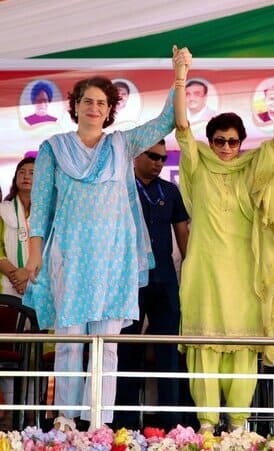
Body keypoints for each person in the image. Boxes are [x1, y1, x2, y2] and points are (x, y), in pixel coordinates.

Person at [22, 46, 185, 429]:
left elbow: (165, 121)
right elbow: (40, 207)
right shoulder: (53, 149)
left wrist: (179, 73)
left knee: (107, 346)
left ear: (110, 110)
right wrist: (34, 255)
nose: (94, 107)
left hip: (112, 261)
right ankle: (64, 418)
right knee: (69, 342)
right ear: (75, 106)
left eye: (101, 102)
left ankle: (98, 424)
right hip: (70, 257)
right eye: (87, 101)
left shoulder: (121, 145)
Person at [175, 56, 274, 433]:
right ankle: (208, 425)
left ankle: (239, 425)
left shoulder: (251, 168)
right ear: (209, 142)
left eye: (232, 141)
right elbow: (181, 125)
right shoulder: (197, 166)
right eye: (218, 141)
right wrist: (181, 77)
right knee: (205, 351)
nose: (225, 148)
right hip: (205, 274)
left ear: (242, 143)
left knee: (243, 352)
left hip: (245, 276)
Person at [114, 139, 189, 430]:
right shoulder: (120, 189)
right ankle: (126, 425)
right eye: (153, 157)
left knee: (167, 351)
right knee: (126, 351)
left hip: (165, 281)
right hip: (128, 282)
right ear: (136, 156)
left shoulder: (170, 191)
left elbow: (183, 237)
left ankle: (173, 425)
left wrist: (190, 274)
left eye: (163, 158)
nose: (159, 163)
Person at [0, 157, 35, 296]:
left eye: (32, 173)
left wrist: (28, 277)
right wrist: (17, 277)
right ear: (15, 178)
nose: (26, 176)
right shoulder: (2, 210)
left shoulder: (49, 213)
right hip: (7, 285)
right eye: (22, 172)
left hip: (40, 284)